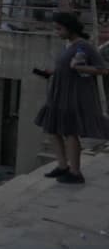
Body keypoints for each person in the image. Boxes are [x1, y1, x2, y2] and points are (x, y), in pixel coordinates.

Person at [34, 12, 109, 184]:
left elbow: (103, 69)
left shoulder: (84, 46)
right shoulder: (68, 45)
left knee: (70, 131)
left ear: (70, 28)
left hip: (74, 94)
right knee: (51, 128)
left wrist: (80, 68)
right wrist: (51, 72)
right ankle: (63, 166)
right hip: (58, 92)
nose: (57, 32)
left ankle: (75, 172)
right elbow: (65, 66)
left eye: (59, 29)